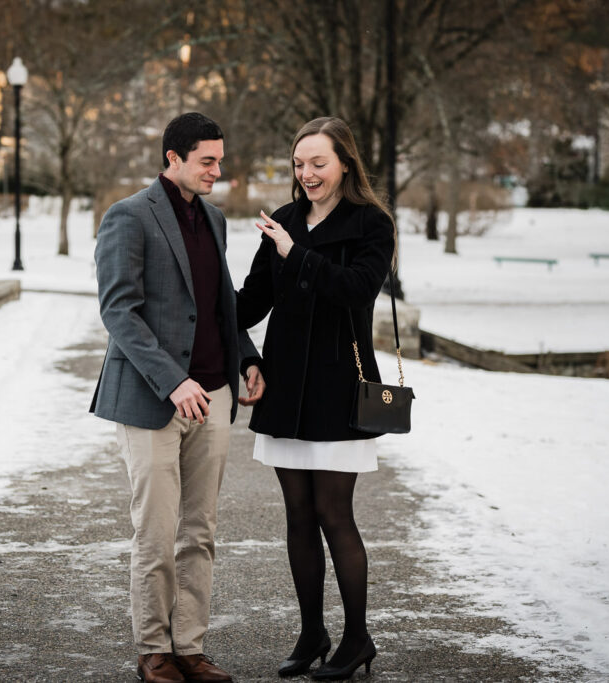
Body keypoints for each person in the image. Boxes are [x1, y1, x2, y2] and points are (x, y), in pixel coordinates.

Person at [91, 112, 265, 683]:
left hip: (214, 398)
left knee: (201, 531)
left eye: (220, 158)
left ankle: (189, 645)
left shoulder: (214, 220)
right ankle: (153, 649)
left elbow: (222, 305)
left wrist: (247, 357)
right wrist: (172, 379)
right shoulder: (128, 217)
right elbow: (119, 310)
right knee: (157, 532)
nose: (219, 169)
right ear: (173, 159)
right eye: (207, 160)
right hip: (152, 402)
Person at [236, 117, 395, 681]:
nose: (306, 175)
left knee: (334, 515)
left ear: (345, 163)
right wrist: (237, 349)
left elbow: (355, 292)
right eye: (299, 164)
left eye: (318, 163)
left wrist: (295, 253)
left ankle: (357, 639)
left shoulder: (371, 224)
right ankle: (312, 633)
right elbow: (249, 303)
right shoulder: (283, 220)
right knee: (297, 518)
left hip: (338, 393)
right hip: (285, 391)